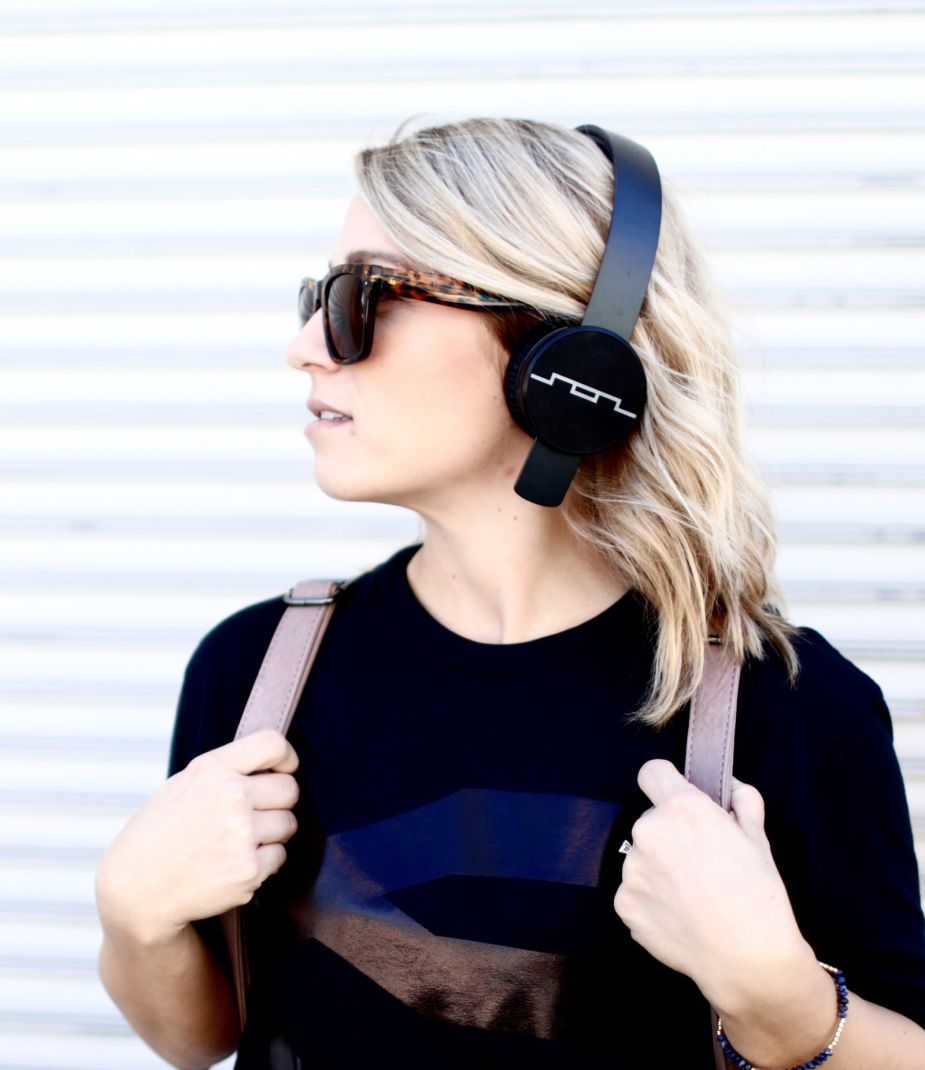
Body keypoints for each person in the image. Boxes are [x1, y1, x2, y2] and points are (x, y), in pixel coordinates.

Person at [95, 117, 925, 1069]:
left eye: (363, 297)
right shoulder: (258, 673)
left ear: (565, 361)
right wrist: (132, 915)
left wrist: (778, 997)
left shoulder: (786, 707)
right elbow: (199, 1037)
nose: (306, 347)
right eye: (316, 297)